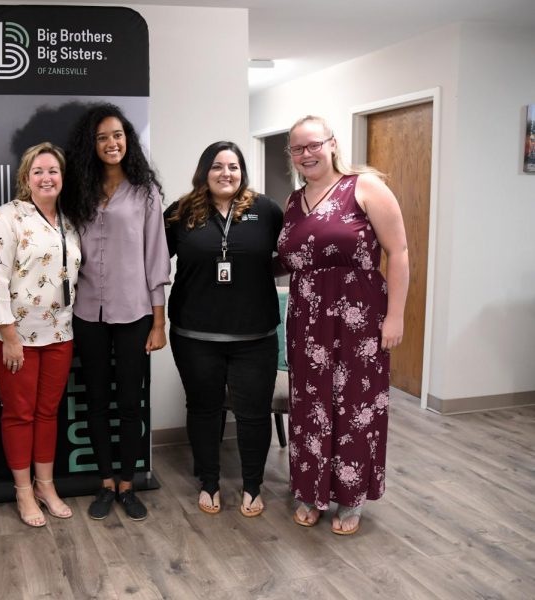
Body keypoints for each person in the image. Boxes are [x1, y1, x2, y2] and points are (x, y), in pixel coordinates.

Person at [277, 115, 409, 535]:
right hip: (307, 321)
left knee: (356, 407)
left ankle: (350, 499)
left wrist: (396, 315)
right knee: (309, 406)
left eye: (313, 145)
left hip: (361, 319)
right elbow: (285, 259)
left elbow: (399, 252)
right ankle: (310, 491)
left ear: (332, 144)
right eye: (297, 148)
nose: (306, 154)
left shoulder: (364, 187)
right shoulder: (293, 203)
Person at [63, 103, 170, 521]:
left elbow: (157, 260)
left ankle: (128, 484)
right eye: (103, 137)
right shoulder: (77, 191)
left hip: (136, 314)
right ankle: (105, 482)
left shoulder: (145, 193)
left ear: (129, 141)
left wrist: (159, 321)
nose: (112, 143)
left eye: (119, 135)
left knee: (129, 402)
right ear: (92, 145)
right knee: (95, 402)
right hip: (87, 312)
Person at [165, 141, 283, 517]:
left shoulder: (265, 210)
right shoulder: (182, 212)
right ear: (204, 171)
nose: (226, 173)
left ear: (242, 171)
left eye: (233, 166)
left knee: (253, 412)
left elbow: (291, 256)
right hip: (195, 334)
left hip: (255, 335)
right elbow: (151, 263)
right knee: (203, 409)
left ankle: (252, 487)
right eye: (217, 166)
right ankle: (210, 483)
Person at [0, 142, 82, 528]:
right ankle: (22, 490)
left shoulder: (68, 222)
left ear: (62, 178)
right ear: (26, 178)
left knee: (48, 412)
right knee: (20, 414)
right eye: (38, 171)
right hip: (14, 334)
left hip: (59, 332)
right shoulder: (9, 216)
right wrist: (9, 334)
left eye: (53, 170)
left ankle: (46, 485)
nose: (46, 177)